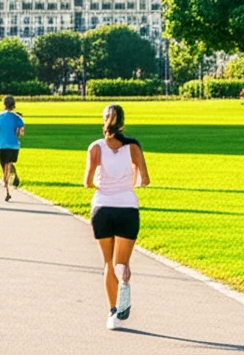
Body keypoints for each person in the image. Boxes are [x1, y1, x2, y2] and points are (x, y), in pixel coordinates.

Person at [83, 104, 150, 330]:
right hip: (127, 208)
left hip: (102, 208)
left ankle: (113, 313)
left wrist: (102, 184)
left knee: (107, 263)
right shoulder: (133, 147)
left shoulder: (95, 147)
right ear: (122, 123)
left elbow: (88, 181)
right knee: (121, 263)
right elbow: (145, 180)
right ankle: (125, 281)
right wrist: (130, 183)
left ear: (103, 121)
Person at [0, 95, 25, 202]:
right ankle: (9, 180)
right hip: (13, 145)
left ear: (4, 104)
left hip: (1, 145)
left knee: (4, 166)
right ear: (14, 105)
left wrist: (0, 132)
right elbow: (21, 133)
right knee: (8, 164)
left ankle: (6, 189)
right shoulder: (18, 118)